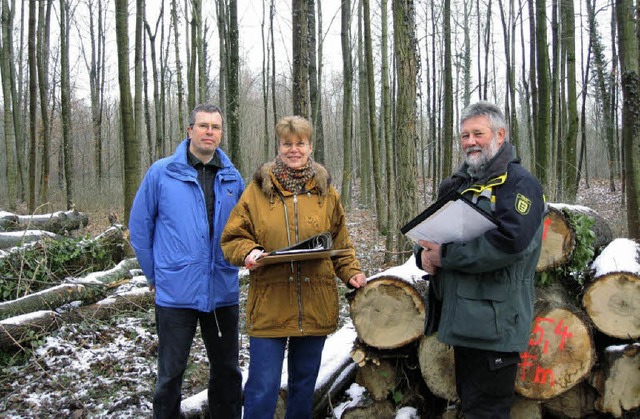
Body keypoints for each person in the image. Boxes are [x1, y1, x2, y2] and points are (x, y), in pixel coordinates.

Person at [220, 115, 367, 419]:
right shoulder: (258, 191)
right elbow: (233, 238)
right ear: (279, 146)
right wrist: (249, 251)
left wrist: (351, 271)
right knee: (263, 386)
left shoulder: (326, 192)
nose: (294, 149)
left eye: (300, 143)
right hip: (270, 304)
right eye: (287, 143)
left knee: (304, 385)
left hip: (315, 302)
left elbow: (339, 240)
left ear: (310, 146)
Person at [415, 101, 546, 418]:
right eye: (464, 136)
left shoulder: (518, 184)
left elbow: (509, 243)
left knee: (485, 412)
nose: (470, 141)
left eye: (478, 133)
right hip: (462, 323)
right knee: (472, 408)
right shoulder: (458, 184)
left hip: (496, 326)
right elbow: (432, 233)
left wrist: (444, 256)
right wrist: (423, 256)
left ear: (500, 135)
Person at [129, 104, 244, 418]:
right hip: (175, 292)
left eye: (215, 127)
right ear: (189, 130)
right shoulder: (162, 173)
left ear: (221, 133)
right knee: (170, 373)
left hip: (222, 290)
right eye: (203, 125)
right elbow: (140, 227)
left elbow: (245, 230)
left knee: (227, 371)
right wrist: (155, 276)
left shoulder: (233, 178)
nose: (209, 132)